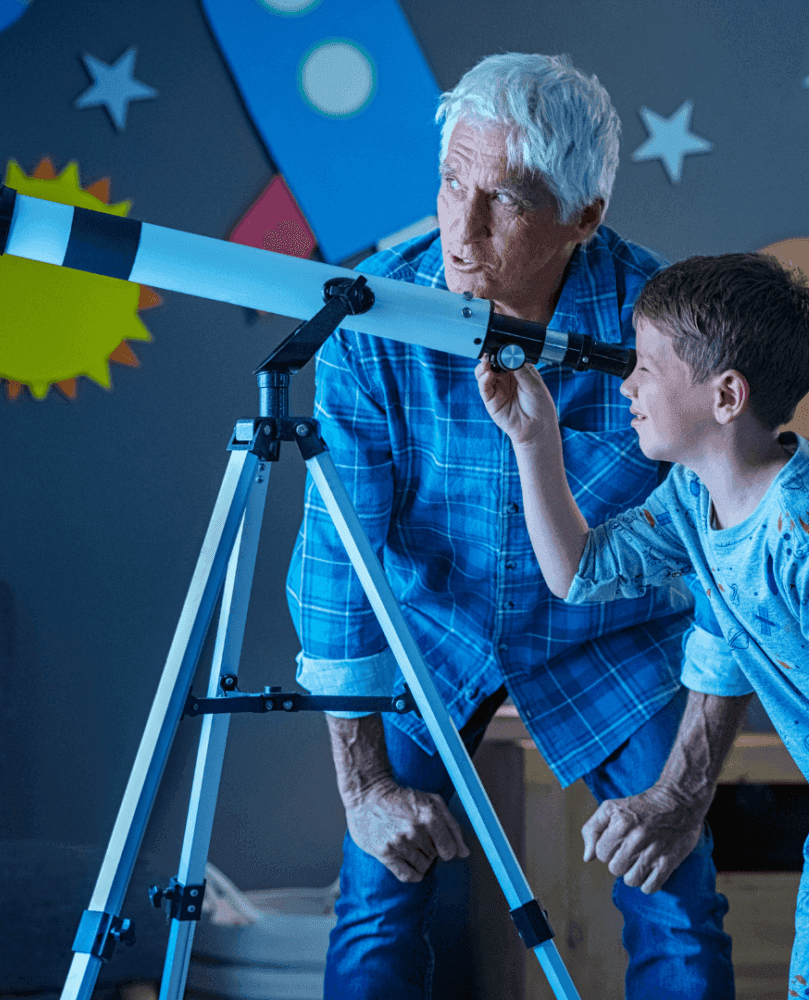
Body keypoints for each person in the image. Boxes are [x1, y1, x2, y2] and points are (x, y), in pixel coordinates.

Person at [286, 53, 744, 999]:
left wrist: (686, 789)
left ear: (585, 217)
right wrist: (366, 788)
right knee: (376, 898)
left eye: (507, 200)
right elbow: (340, 562)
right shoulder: (374, 319)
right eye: (453, 181)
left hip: (611, 637)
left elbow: (726, 562)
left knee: (680, 903)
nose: (461, 225)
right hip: (435, 632)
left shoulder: (670, 335)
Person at [478, 250, 809, 994]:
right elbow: (579, 573)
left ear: (726, 397)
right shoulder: (695, 502)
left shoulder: (798, 533)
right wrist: (535, 441)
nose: (626, 385)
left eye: (649, 369)